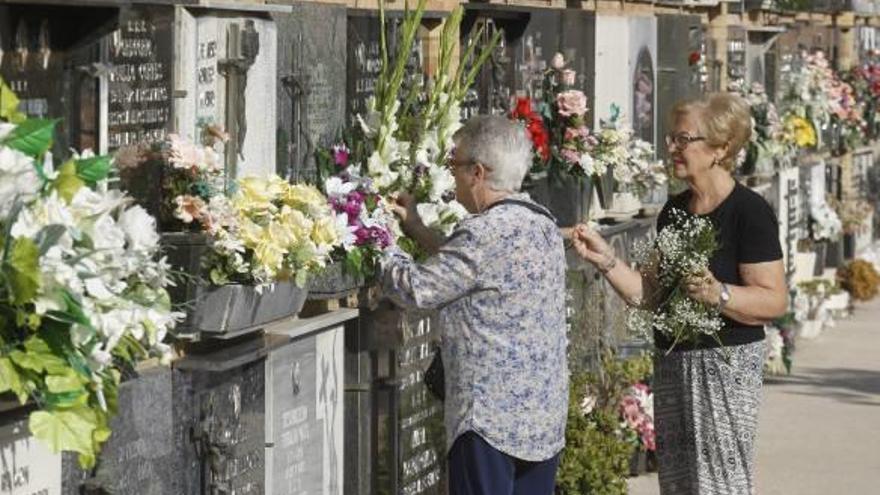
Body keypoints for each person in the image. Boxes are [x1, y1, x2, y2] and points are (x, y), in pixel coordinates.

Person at [572, 93, 787, 494]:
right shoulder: (675, 211)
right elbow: (651, 296)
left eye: (683, 139)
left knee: (718, 485)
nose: (672, 148)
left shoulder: (749, 212)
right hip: (674, 362)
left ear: (721, 148)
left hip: (726, 367)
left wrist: (719, 294)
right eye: (671, 138)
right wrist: (605, 260)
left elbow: (774, 300)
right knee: (678, 485)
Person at [379, 115, 568, 495]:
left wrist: (378, 239)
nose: (451, 174)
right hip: (541, 419)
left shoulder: (484, 233)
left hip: (489, 422)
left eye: (455, 165)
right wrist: (416, 227)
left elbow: (416, 289)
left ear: (477, 172)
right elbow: (472, 271)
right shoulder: (541, 221)